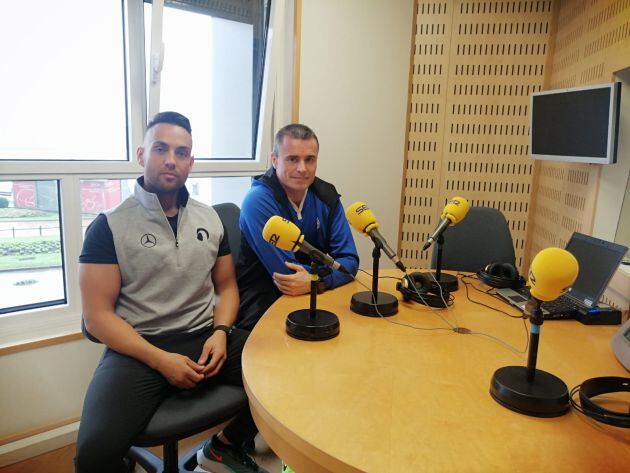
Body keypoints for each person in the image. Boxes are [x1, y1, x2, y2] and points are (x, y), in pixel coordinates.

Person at [75, 111, 267, 473]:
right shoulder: (109, 226)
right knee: (93, 455)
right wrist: (160, 360)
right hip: (138, 349)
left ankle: (223, 446)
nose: (170, 160)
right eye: (160, 149)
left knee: (283, 374)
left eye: (181, 153)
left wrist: (222, 333)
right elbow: (96, 318)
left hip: (203, 338)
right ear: (141, 154)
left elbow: (226, 287)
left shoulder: (209, 219)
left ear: (190, 162)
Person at [236, 123, 359, 331]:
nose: (302, 168)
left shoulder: (327, 196)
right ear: (274, 160)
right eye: (292, 159)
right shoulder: (257, 200)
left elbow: (349, 262)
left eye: (309, 159)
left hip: (316, 297)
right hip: (263, 304)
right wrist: (326, 276)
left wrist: (316, 281)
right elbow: (286, 276)